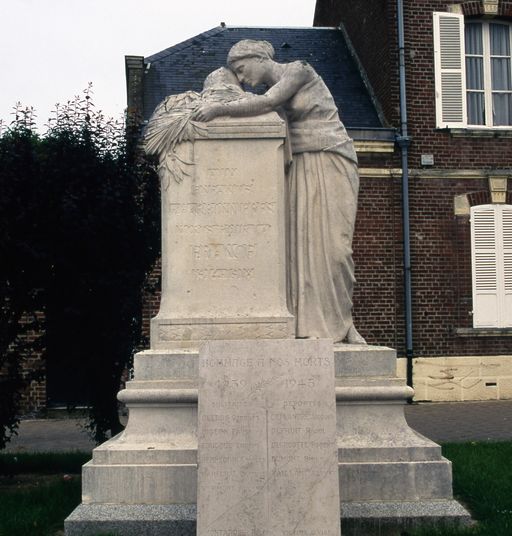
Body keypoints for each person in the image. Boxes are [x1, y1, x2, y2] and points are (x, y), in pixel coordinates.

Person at [195, 40, 366, 344]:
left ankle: (343, 323)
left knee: (335, 249)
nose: (243, 79)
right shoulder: (269, 95)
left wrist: (218, 109)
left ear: (258, 58)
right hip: (300, 164)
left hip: (331, 158)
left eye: (242, 69)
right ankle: (305, 326)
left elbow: (266, 103)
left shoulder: (299, 71)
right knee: (301, 248)